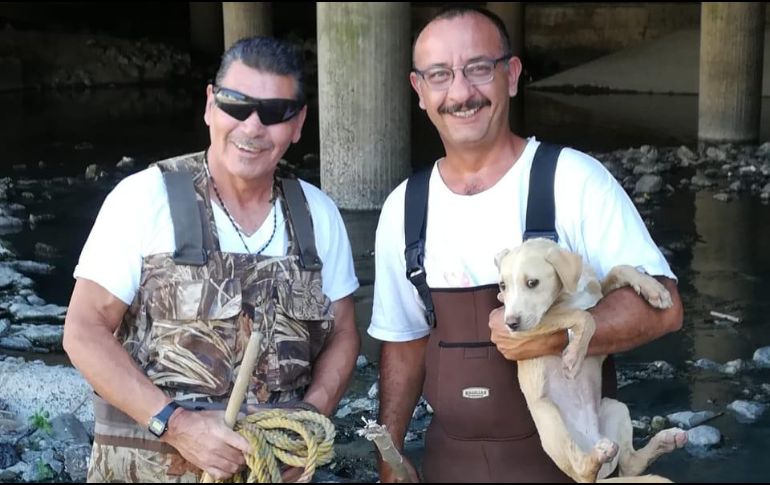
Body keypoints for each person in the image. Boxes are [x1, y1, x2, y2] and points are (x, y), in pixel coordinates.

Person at [368, 6, 683, 483]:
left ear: (511, 76)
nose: (461, 93)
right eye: (440, 74)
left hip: (572, 470)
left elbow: (665, 309)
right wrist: (387, 455)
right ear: (420, 90)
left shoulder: (573, 180)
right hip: (449, 468)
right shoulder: (404, 208)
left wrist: (549, 337)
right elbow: (404, 343)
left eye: (479, 68)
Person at [63, 36, 360, 483]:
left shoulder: (319, 214)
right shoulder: (142, 199)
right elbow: (83, 331)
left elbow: (343, 333)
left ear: (298, 123)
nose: (252, 127)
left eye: (274, 112)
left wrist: (308, 422)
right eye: (236, 105)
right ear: (210, 105)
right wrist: (176, 425)